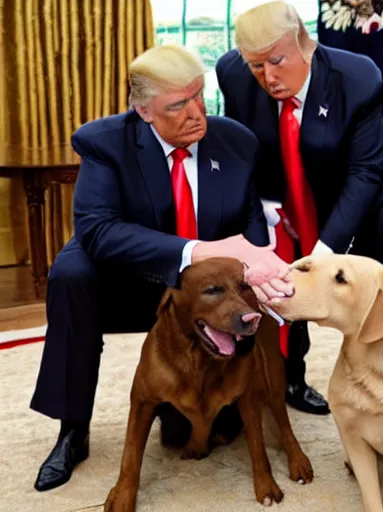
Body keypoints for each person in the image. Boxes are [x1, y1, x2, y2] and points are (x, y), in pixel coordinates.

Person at [30, 44, 294, 492]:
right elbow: (98, 231)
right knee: (71, 275)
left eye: (199, 96)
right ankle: (73, 428)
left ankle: (286, 387)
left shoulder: (236, 142)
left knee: (272, 277)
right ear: (144, 111)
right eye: (178, 104)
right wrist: (196, 250)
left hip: (207, 289)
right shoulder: (104, 141)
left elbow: (252, 235)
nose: (196, 113)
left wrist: (259, 267)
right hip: (129, 275)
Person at [216, 1, 383, 414]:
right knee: (268, 262)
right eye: (256, 66)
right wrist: (267, 212)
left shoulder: (357, 77)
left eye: (277, 61)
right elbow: (243, 151)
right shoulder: (233, 73)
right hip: (282, 204)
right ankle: (289, 378)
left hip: (358, 200)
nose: (268, 77)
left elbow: (366, 172)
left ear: (305, 42)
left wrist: (325, 250)